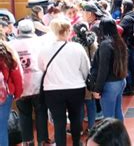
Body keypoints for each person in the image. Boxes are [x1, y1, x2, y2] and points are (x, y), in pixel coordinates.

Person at [39, 18, 90, 146]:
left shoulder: (44, 50)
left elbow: (41, 68)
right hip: (76, 88)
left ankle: (61, 144)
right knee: (75, 118)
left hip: (52, 90)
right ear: (68, 31)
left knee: (58, 121)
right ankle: (76, 142)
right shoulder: (77, 48)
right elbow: (86, 69)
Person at [9, 20, 52, 145]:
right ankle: (42, 140)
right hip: (39, 84)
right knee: (41, 112)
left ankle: (28, 141)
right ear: (33, 30)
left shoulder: (11, 44)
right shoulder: (40, 41)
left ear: (19, 31)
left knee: (24, 114)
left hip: (21, 86)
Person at [91, 18, 128, 121]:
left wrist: (97, 89)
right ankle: (121, 135)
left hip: (110, 84)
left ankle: (112, 137)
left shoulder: (105, 45)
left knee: (108, 117)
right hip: (120, 80)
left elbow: (103, 69)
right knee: (118, 112)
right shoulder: (119, 41)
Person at [71, 22, 98, 133]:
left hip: (78, 77)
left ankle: (79, 129)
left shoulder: (74, 44)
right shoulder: (93, 42)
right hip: (91, 76)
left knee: (80, 105)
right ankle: (91, 127)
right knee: (90, 103)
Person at [0, 40, 23, 146]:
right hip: (4, 95)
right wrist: (18, 93)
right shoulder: (6, 50)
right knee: (2, 127)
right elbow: (17, 75)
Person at [120, 0, 134, 95]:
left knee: (128, 66)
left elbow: (120, 29)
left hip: (128, 43)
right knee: (133, 64)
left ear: (125, 7)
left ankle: (129, 87)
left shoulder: (126, 18)